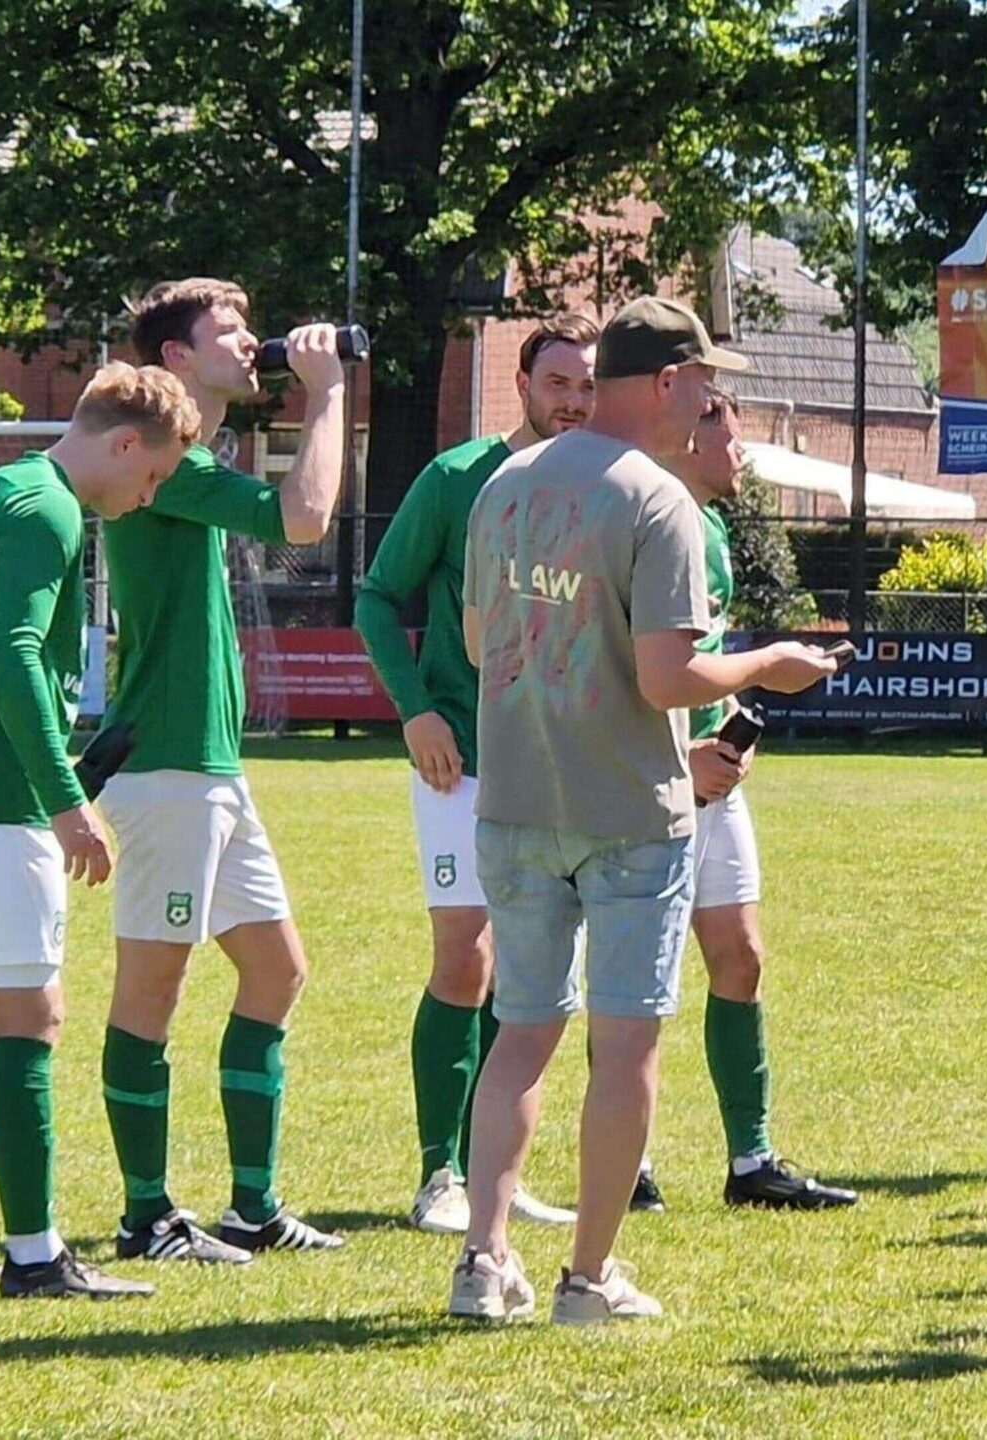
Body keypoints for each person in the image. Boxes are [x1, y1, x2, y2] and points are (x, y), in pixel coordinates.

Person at [446, 296, 841, 1326]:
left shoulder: (505, 481)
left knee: (520, 1034)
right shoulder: (656, 500)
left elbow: (480, 633)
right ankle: (587, 1278)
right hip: (630, 811)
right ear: (667, 382)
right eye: (707, 382)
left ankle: (483, 1265)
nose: (713, 400)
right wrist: (773, 662)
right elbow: (671, 680)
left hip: (518, 801)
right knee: (624, 1048)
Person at [0, 363, 199, 1299]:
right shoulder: (48, 508)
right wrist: (65, 797)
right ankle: (35, 1257)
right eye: (152, 477)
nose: (147, 498)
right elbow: (13, 650)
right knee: (33, 1016)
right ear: (124, 442)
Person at [94, 279, 353, 1265]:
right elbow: (304, 517)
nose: (255, 345)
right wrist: (327, 398)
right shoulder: (167, 461)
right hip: (165, 769)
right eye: (230, 333)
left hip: (209, 767)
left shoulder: (187, 456)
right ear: (174, 361)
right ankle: (146, 1218)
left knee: (276, 970)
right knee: (149, 998)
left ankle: (252, 1207)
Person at [356, 313, 601, 1235]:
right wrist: (417, 709)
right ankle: (438, 1175)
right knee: (466, 958)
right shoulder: (457, 478)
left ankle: (498, 1171)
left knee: (532, 974)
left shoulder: (608, 488)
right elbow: (379, 596)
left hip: (564, 764)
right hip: (461, 757)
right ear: (524, 387)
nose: (573, 401)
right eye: (558, 384)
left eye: (586, 386)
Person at [633, 386, 860, 1213]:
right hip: (649, 782)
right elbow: (624, 669)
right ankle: (631, 1166)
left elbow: (702, 659)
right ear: (688, 435)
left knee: (741, 955)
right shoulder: (643, 518)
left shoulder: (716, 530)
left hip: (711, 780)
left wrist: (725, 733)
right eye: (731, 438)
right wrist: (676, 754)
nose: (742, 455)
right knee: (641, 978)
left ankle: (750, 1161)